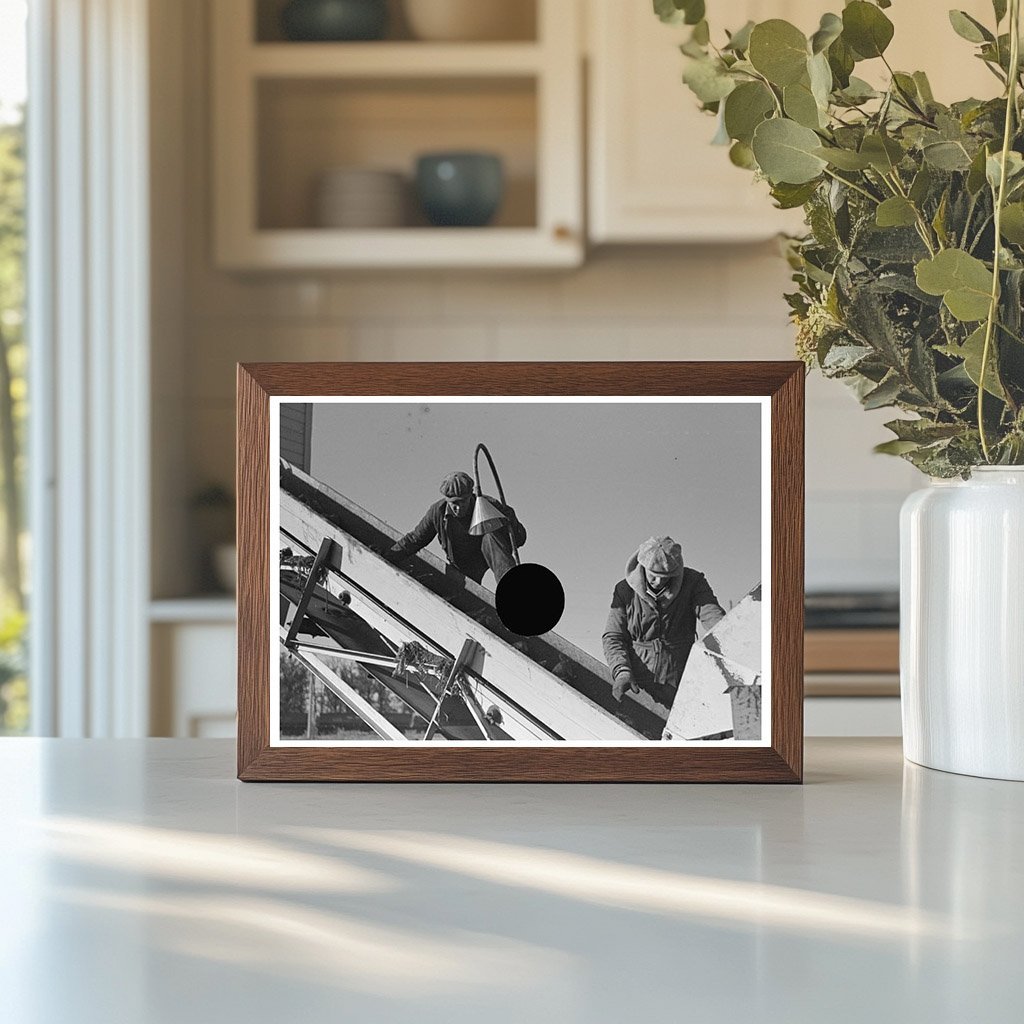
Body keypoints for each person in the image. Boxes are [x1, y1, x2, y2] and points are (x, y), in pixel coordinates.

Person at [602, 536, 726, 708]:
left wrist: (728, 642)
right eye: (654, 576)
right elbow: (613, 637)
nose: (659, 582)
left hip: (681, 682)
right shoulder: (624, 591)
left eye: (665, 577)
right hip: (639, 684)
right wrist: (622, 671)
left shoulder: (693, 582)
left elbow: (714, 619)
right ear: (643, 567)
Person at [387, 471, 526, 585]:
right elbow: (415, 539)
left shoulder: (488, 505)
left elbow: (518, 540)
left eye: (463, 501)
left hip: (487, 553)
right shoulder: (438, 512)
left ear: (471, 495)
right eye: (454, 503)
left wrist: (511, 520)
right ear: (446, 499)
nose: (458, 507)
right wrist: (389, 556)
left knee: (490, 537)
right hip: (463, 564)